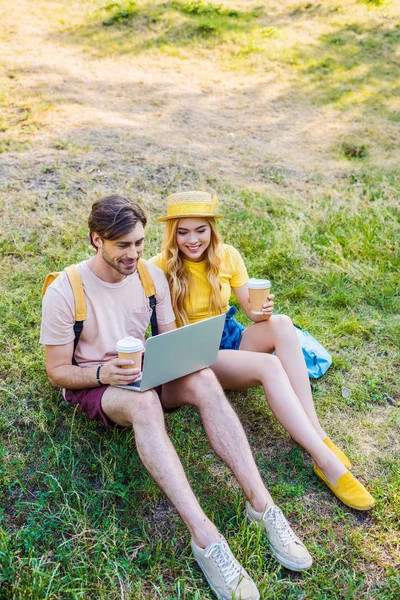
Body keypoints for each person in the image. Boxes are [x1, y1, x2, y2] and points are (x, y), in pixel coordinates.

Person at [41, 195, 316, 600]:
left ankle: (262, 506)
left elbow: (170, 341)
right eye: (122, 246)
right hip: (97, 383)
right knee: (144, 403)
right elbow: (56, 371)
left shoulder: (151, 277)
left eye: (138, 242)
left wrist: (183, 358)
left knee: (204, 378)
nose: (133, 254)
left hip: (145, 368)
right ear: (95, 240)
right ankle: (206, 538)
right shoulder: (66, 289)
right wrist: (103, 372)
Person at [150, 190, 375, 512]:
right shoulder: (158, 267)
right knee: (270, 366)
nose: (192, 240)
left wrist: (262, 312)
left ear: (212, 229)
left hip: (227, 335)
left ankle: (317, 431)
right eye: (183, 232)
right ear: (173, 234)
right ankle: (325, 461)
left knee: (282, 323)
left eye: (200, 230)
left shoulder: (227, 256)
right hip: (194, 356)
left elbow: (251, 312)